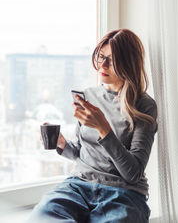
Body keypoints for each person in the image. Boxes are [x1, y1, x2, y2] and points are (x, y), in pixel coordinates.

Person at [26, 29, 158, 223]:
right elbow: (81, 152)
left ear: (128, 63)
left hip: (123, 193)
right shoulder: (89, 96)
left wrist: (104, 128)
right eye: (101, 57)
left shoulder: (144, 105)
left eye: (112, 60)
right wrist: (62, 144)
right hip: (79, 186)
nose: (103, 65)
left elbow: (133, 173)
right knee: (41, 217)